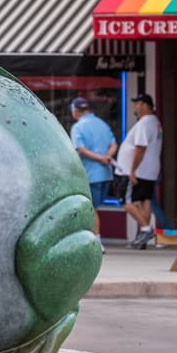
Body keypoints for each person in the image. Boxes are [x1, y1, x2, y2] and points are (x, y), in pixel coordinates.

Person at [117, 93, 166, 250]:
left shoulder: (144, 123)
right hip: (150, 170)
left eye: (137, 104)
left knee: (125, 200)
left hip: (138, 170)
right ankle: (143, 239)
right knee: (145, 201)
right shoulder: (155, 122)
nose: (135, 107)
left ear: (144, 105)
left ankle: (145, 229)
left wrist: (132, 171)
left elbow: (140, 147)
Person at [69, 97, 118, 248]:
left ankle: (97, 242)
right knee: (94, 207)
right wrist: (107, 157)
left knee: (91, 208)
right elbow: (113, 144)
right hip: (105, 174)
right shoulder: (102, 124)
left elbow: (81, 150)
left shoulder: (77, 127)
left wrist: (101, 158)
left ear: (75, 111)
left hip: (89, 174)